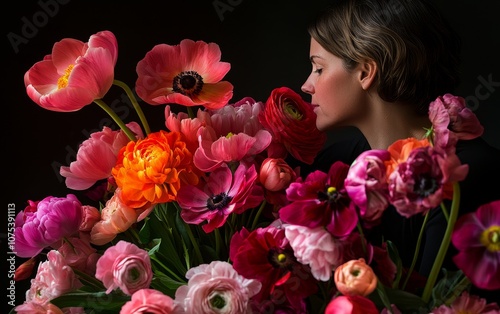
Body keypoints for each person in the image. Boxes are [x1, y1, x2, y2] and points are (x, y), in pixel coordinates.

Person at [300, 0, 500, 302]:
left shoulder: (470, 175)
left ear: (366, 72)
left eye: (318, 68)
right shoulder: (337, 162)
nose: (306, 85)